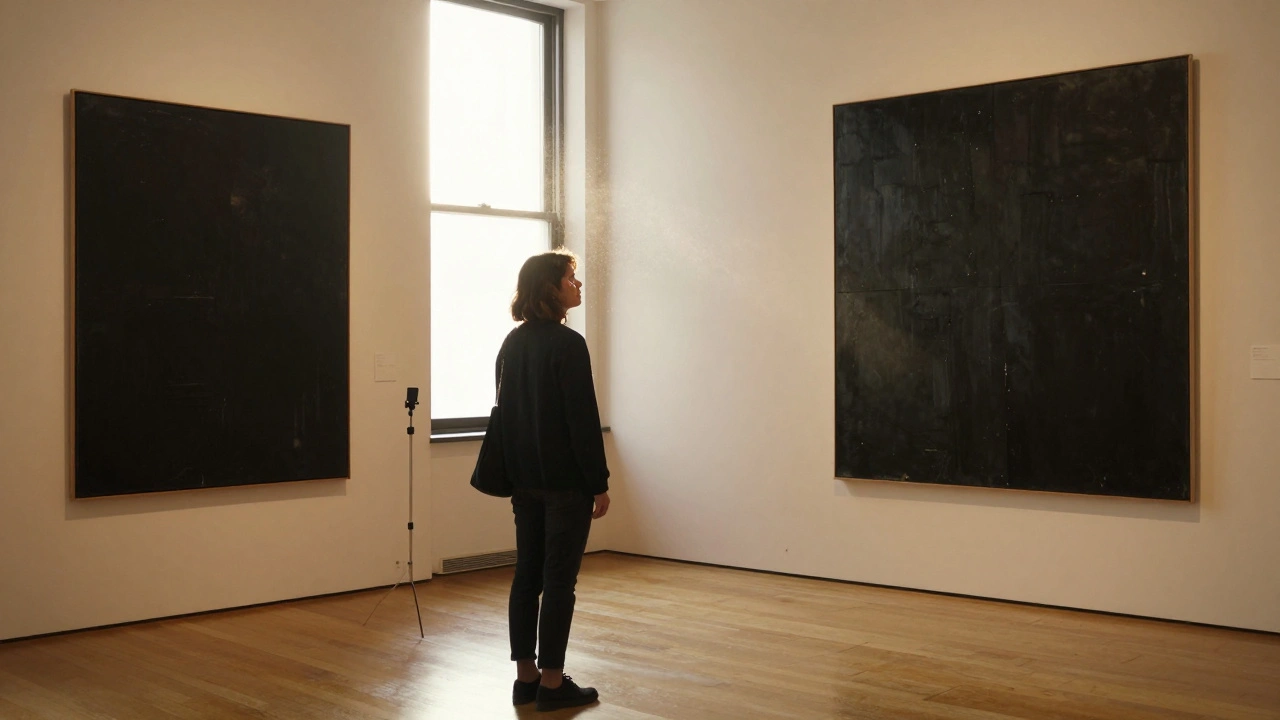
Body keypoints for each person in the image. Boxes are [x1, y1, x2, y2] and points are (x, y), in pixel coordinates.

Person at [497, 250, 610, 712]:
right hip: (565, 484)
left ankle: (526, 679)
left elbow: (506, 416)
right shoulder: (568, 344)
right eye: (571, 278)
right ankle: (552, 683)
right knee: (559, 580)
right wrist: (598, 482)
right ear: (550, 287)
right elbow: (582, 422)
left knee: (527, 575)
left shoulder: (512, 343)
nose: (577, 286)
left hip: (525, 481)